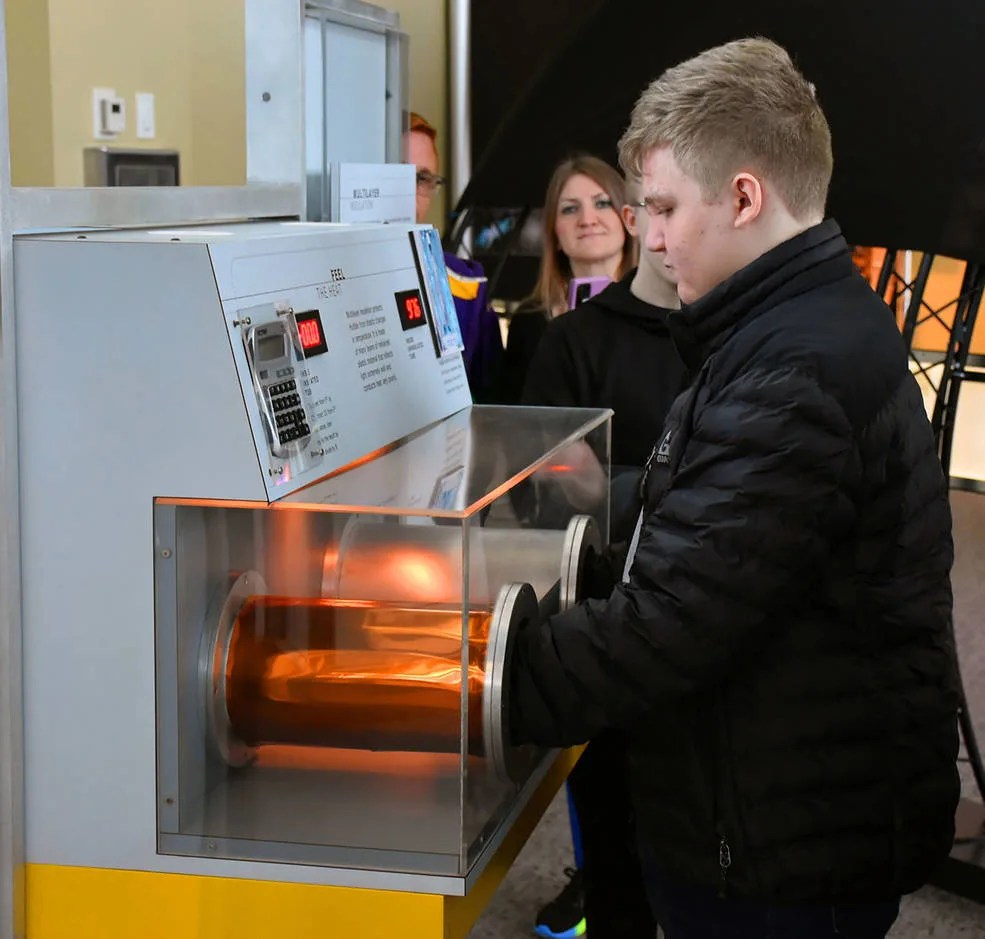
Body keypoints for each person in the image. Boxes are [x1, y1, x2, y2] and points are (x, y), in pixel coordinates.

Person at [508, 37, 959, 939]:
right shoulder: (797, 323)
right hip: (786, 811)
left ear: (744, 195)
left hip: (780, 848)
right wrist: (583, 498)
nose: (654, 233)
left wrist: (471, 676)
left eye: (665, 206)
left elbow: (664, 626)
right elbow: (710, 498)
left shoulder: (794, 365)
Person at [522, 180, 688, 939]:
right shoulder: (571, 341)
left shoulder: (739, 337)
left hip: (704, 633)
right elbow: (549, 489)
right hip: (606, 624)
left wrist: (615, 486)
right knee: (616, 858)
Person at [499, 155, 636, 404]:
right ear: (554, 232)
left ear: (628, 218)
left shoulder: (662, 310)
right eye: (570, 209)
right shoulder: (529, 321)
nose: (587, 220)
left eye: (603, 203)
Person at [406, 112, 503, 402]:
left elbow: (493, 404)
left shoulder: (467, 285)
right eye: (396, 174)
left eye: (422, 178)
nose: (408, 192)